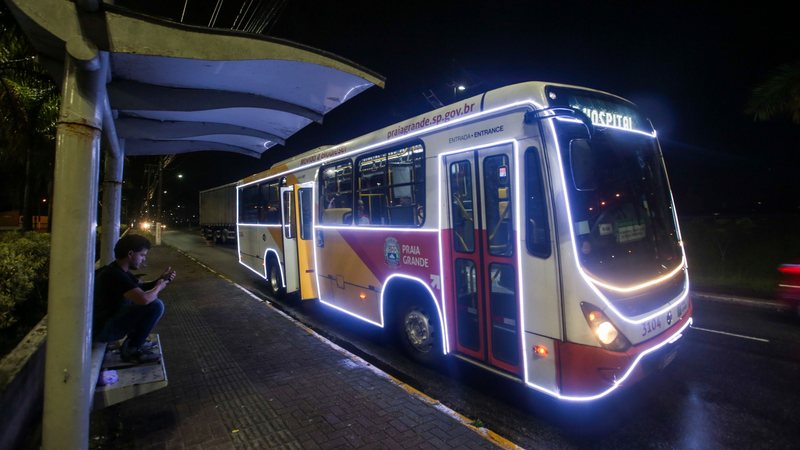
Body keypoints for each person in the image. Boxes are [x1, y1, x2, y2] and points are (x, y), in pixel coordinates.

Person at [93, 234, 176, 364]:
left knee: (142, 302)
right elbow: (144, 299)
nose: (143, 260)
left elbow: (139, 288)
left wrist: (160, 280)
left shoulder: (117, 269)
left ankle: (135, 342)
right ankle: (132, 349)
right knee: (155, 305)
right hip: (103, 330)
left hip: (104, 324)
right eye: (142, 255)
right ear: (131, 254)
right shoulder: (115, 275)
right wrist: (159, 287)